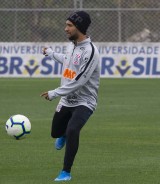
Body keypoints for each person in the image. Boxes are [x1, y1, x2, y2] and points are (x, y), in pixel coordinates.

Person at [41, 11, 100, 181]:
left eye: (69, 25)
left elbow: (80, 81)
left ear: (79, 28)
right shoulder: (71, 45)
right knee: (55, 133)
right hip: (67, 99)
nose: (65, 28)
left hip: (85, 101)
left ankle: (66, 171)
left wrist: (54, 93)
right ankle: (63, 134)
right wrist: (51, 53)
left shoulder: (90, 52)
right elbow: (67, 60)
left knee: (73, 129)